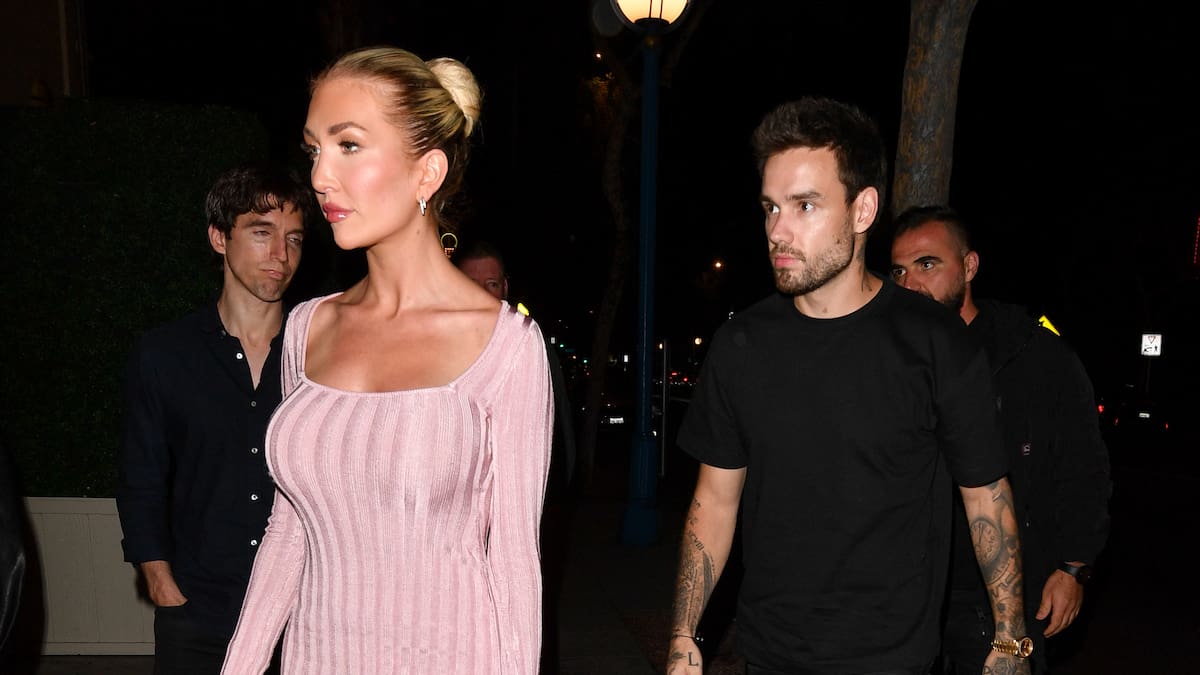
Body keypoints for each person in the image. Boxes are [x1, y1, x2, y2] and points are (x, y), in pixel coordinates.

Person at [666, 96, 1032, 675]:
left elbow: (986, 494)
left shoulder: (935, 342)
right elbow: (713, 501)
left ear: (863, 210)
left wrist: (1010, 639)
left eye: (805, 205)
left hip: (893, 658)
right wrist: (684, 635)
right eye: (770, 207)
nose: (778, 230)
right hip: (769, 653)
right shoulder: (741, 346)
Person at [220, 46, 554, 674]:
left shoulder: (506, 346)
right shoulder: (308, 327)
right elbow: (289, 528)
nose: (321, 176)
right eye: (314, 149)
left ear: (427, 172)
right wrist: (240, 665)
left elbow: (514, 561)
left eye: (348, 145)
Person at [890, 205, 1112, 674]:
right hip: (910, 592)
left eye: (927, 264)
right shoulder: (889, 358)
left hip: (1000, 594)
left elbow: (1083, 467)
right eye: (899, 271)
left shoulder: (1033, 354)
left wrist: (1073, 568)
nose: (910, 284)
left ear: (969, 266)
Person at [116, 160, 317, 674]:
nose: (280, 254)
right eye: (261, 232)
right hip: (198, 611)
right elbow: (141, 476)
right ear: (218, 237)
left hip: (302, 612)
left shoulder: (321, 357)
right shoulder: (165, 354)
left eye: (293, 239)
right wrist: (160, 580)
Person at [453, 238, 577, 674]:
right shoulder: (438, 353)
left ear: (505, 287)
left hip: (517, 529)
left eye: (491, 284)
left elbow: (561, 442)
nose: (484, 296)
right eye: (472, 284)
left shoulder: (527, 346)